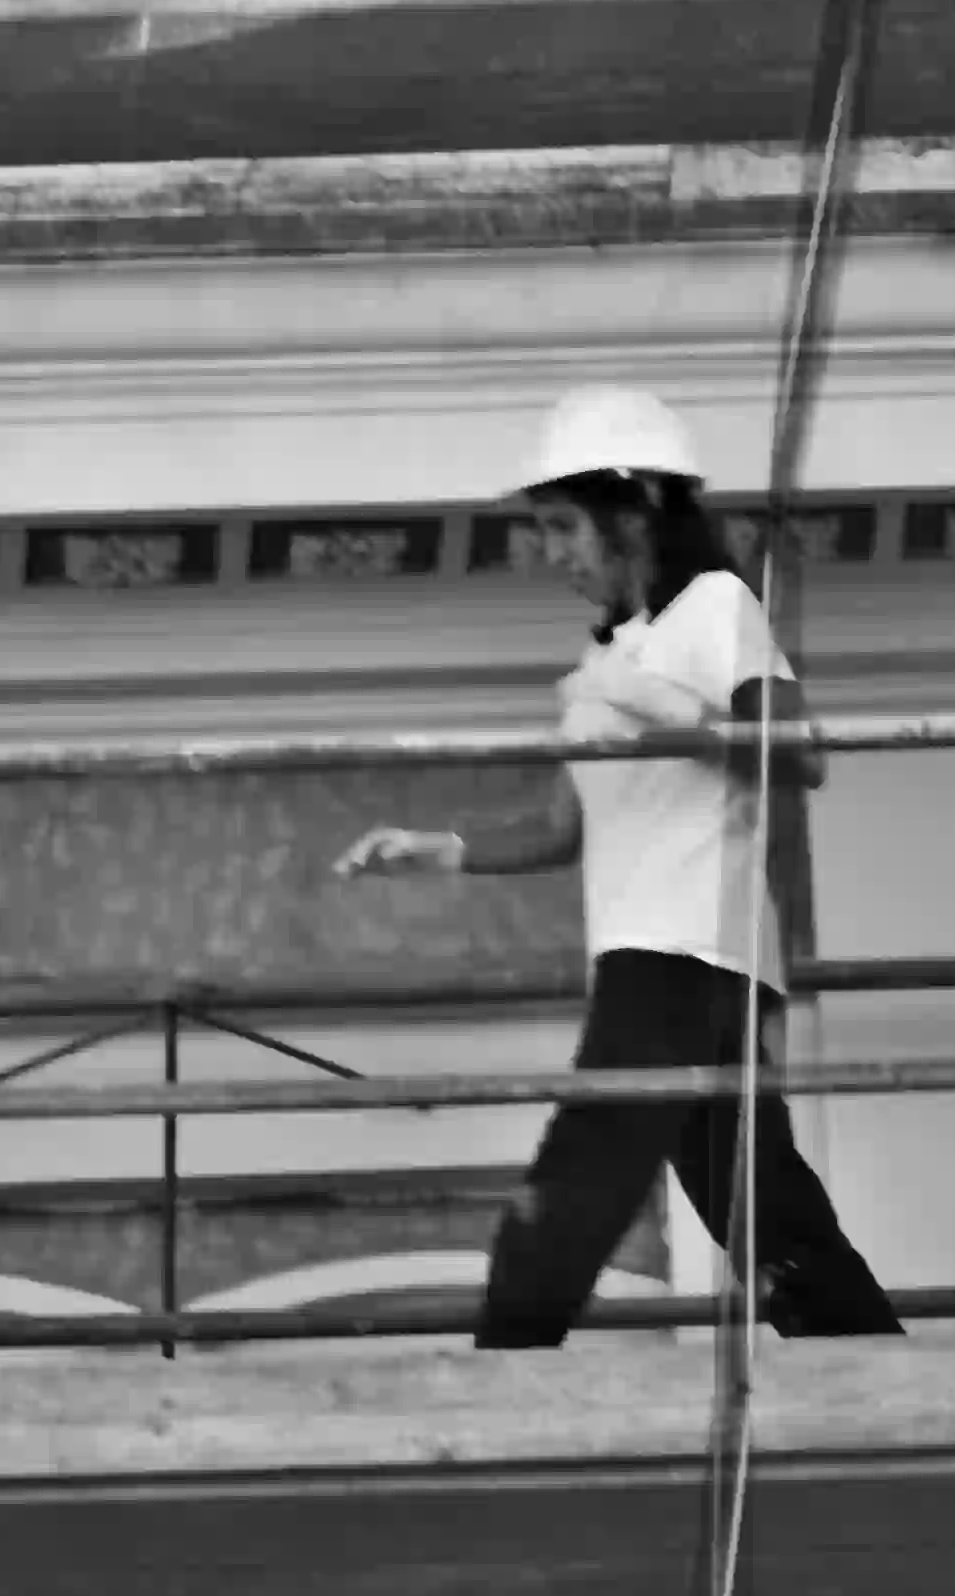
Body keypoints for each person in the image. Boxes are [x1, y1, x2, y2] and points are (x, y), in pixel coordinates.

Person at [337, 383, 904, 1350]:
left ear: (635, 503)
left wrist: (658, 707)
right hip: (670, 954)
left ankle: (501, 1379)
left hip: (681, 949)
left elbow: (797, 754)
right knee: (764, 1212)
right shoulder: (615, 651)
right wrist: (446, 851)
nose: (553, 555)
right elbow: (570, 822)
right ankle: (879, 1373)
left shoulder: (715, 609)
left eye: (565, 527)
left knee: (572, 1191)